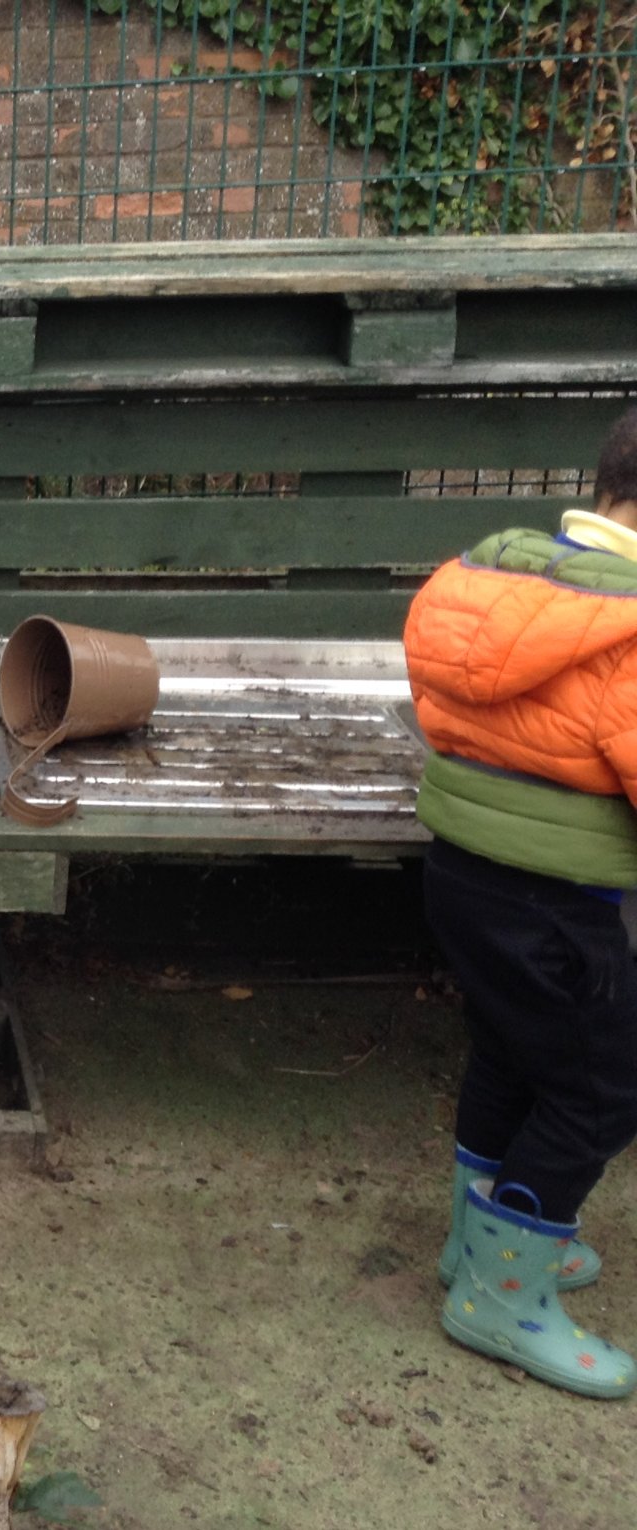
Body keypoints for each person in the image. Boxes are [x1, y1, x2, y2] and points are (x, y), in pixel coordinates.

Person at [403, 404, 637, 1399]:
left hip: (465, 878)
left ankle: (478, 1238)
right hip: (559, 907)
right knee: (598, 1087)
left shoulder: (501, 578)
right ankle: (503, 1295)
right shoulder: (625, 631)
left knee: (510, 1053)